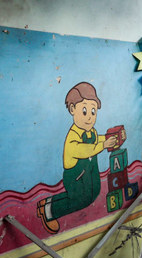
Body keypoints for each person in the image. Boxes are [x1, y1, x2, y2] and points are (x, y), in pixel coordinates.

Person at [36, 82, 118, 234]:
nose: (90, 117)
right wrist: (103, 145)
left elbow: (96, 140)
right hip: (76, 178)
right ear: (73, 109)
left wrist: (109, 138)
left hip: (90, 175)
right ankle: (49, 210)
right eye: (85, 111)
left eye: (93, 111)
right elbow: (83, 150)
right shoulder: (72, 137)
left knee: (91, 195)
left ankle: (46, 204)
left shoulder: (91, 131)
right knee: (78, 198)